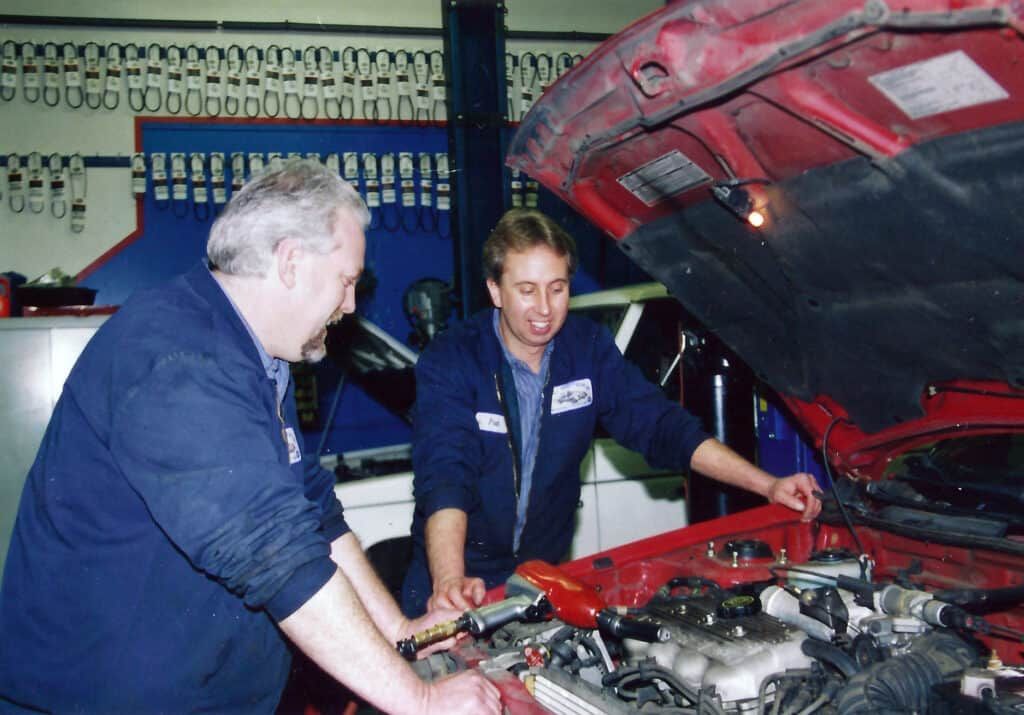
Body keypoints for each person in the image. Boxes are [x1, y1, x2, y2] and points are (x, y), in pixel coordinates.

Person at [0, 160, 501, 715]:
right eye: (346, 281)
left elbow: (312, 514)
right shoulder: (175, 357)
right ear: (290, 262)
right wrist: (422, 701)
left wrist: (402, 632)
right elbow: (275, 554)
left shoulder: (258, 358)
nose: (350, 305)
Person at [401, 208, 822, 617]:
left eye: (557, 288)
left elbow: (663, 426)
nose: (544, 308)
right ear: (495, 290)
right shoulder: (454, 359)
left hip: (539, 581)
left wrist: (768, 485)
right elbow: (446, 474)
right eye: (527, 290)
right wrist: (449, 580)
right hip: (457, 583)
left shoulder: (586, 350)